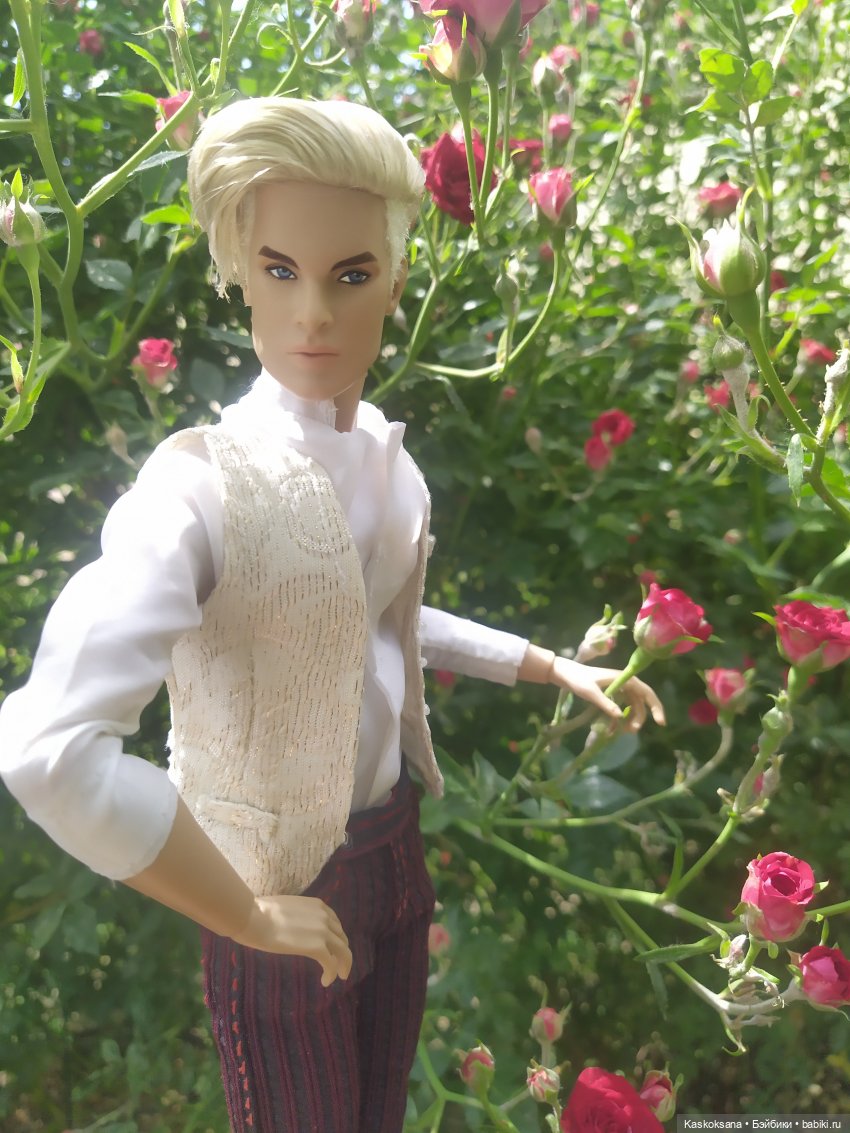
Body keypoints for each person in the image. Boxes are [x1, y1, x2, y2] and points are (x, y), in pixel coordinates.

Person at [0, 97, 664, 1133]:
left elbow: (352, 623)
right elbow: (47, 751)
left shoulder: (385, 465)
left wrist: (543, 663)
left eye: (350, 275)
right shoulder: (200, 488)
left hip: (392, 852)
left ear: (395, 279)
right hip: (276, 879)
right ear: (239, 273)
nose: (312, 312)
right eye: (279, 271)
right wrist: (241, 908)